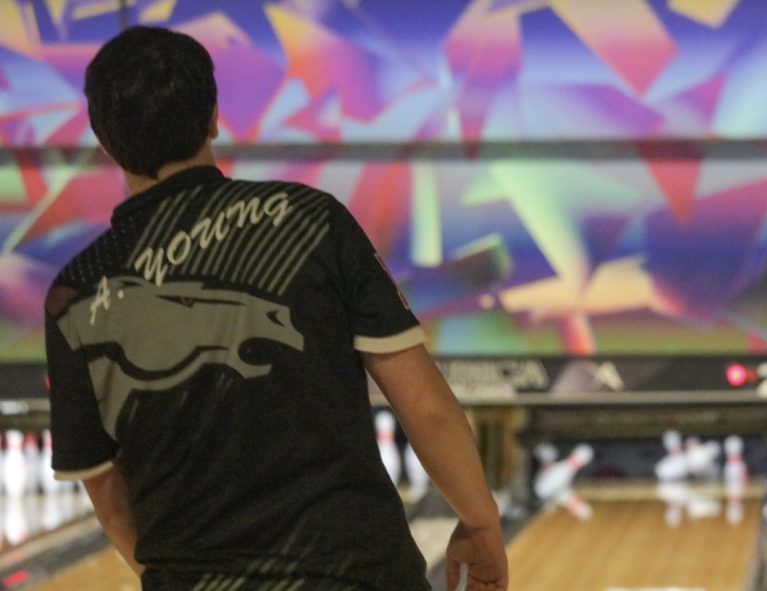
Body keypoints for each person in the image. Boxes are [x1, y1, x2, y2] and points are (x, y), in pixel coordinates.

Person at [44, 26, 508, 591]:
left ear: (103, 137)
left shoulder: (78, 294)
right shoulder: (312, 221)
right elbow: (424, 404)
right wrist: (480, 520)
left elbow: (105, 488)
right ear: (213, 116)